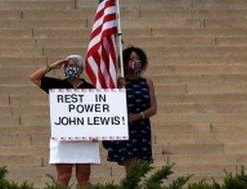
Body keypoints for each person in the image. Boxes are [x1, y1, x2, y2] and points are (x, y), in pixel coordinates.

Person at [29, 55, 99, 188]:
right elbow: (34, 78)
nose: (69, 68)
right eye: (67, 66)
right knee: (63, 176)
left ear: (80, 68)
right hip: (63, 137)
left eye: (72, 65)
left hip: (85, 139)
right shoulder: (58, 85)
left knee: (84, 177)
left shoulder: (90, 88)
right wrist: (52, 66)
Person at [103, 47, 156, 172]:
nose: (135, 61)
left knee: (141, 169)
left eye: (137, 58)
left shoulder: (147, 82)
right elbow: (108, 105)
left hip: (142, 128)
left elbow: (153, 108)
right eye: (131, 58)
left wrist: (137, 116)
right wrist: (118, 89)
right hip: (125, 129)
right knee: (131, 168)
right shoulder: (117, 83)